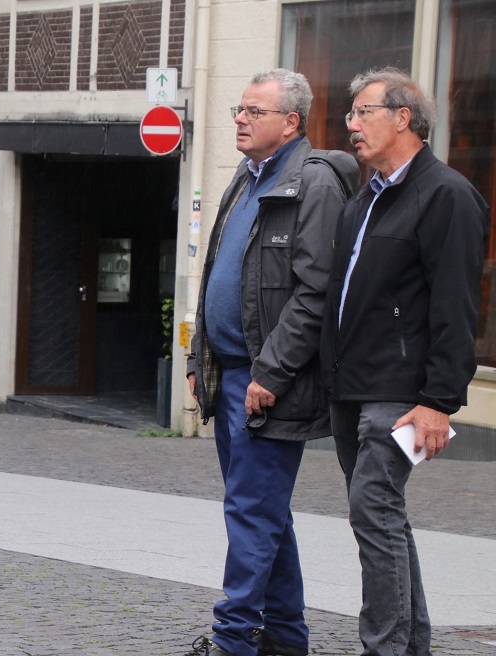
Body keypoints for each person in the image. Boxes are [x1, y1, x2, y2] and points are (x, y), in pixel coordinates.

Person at [187, 69, 358, 656]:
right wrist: (198, 354)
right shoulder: (246, 174)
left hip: (269, 380)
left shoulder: (315, 184)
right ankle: (285, 638)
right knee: (264, 512)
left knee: (251, 513)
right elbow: (216, 270)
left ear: (290, 122)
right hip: (232, 370)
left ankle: (233, 640)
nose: (239, 118)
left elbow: (317, 293)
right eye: (239, 108)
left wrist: (271, 374)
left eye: (254, 111)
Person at [322, 68, 487, 656]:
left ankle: (385, 647)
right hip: (352, 387)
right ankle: (407, 645)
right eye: (350, 113)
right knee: (381, 514)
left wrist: (439, 401)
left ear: (404, 118)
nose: (352, 125)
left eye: (364, 112)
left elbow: (456, 307)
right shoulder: (365, 197)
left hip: (405, 393)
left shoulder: (446, 195)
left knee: (373, 508)